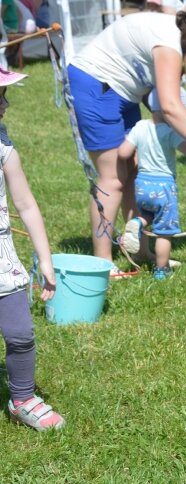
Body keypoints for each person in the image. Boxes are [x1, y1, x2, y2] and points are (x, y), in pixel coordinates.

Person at [67, 10, 186, 276]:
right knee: (112, 178)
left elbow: (170, 124)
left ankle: (141, 249)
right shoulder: (167, 42)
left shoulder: (171, 42)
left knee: (133, 169)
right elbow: (169, 107)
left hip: (122, 92)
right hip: (96, 83)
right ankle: (103, 262)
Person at [0, 67, 64, 431]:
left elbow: (26, 204)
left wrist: (46, 260)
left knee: (21, 334)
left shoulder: (4, 147)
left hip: (2, 258)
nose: (5, 103)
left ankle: (22, 397)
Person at [117, 88, 186, 280]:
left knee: (148, 214)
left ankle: (137, 222)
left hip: (141, 185)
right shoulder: (170, 133)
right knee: (163, 232)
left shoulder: (140, 126)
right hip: (164, 187)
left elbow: (123, 153)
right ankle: (161, 270)